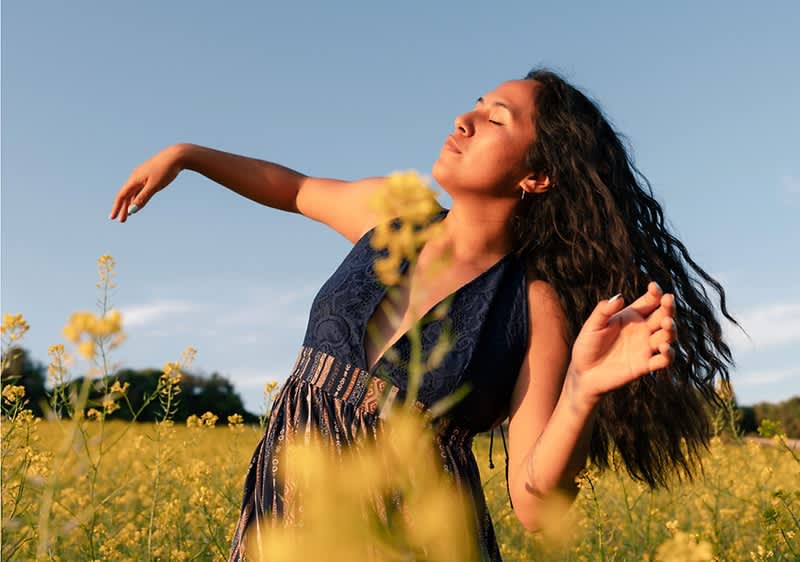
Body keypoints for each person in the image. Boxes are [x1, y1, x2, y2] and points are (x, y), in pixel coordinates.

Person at [109, 68, 734, 562]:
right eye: (475, 104)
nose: (463, 120)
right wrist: (187, 155)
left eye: (495, 118)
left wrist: (583, 389)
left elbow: (536, 505)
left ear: (537, 176)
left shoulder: (533, 306)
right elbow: (292, 187)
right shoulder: (394, 215)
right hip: (289, 525)